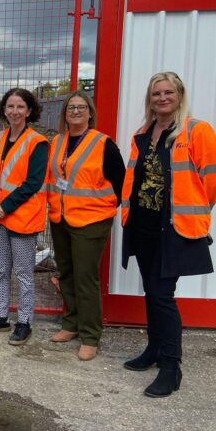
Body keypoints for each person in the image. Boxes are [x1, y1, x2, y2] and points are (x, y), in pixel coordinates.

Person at [121, 71, 216, 397]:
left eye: (168, 92)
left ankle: (172, 366)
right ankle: (154, 350)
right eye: (156, 94)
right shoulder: (143, 133)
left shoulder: (195, 130)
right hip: (143, 225)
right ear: (150, 100)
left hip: (174, 229)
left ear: (179, 96)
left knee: (162, 295)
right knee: (151, 293)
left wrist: (195, 205)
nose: (162, 98)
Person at [45, 91, 125, 361]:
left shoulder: (103, 144)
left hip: (91, 221)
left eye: (81, 107)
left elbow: (121, 183)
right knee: (66, 272)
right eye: (71, 108)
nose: (76, 111)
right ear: (64, 114)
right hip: (61, 218)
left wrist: (103, 211)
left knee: (85, 277)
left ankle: (90, 335)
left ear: (90, 113)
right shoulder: (57, 142)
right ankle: (71, 324)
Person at [0, 88, 48, 346]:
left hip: (22, 220)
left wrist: (4, 206)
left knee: (24, 273)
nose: (14, 111)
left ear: (29, 111)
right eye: (10, 106)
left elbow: (32, 183)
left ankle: (24, 321)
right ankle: (1, 315)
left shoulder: (37, 142)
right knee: (1, 270)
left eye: (20, 107)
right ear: (4, 110)